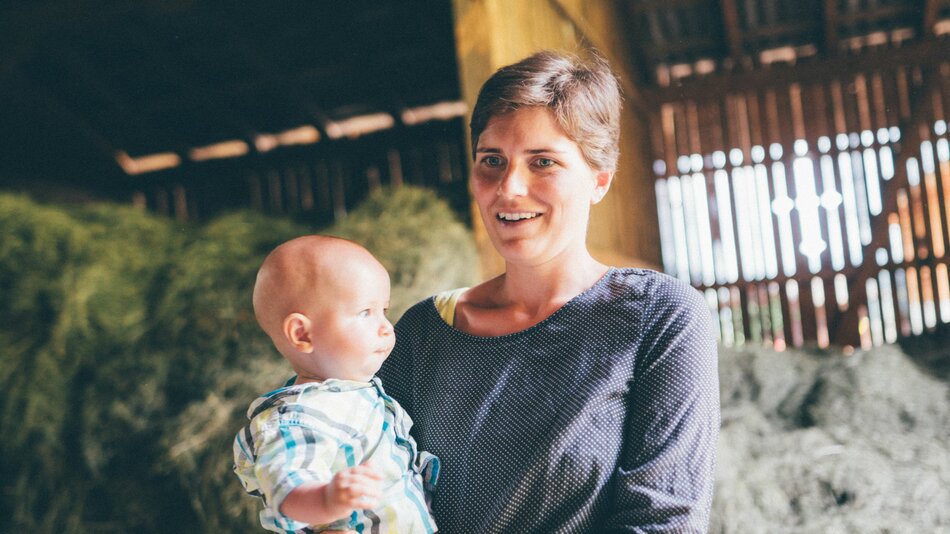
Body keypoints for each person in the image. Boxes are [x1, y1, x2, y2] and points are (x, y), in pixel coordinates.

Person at [378, 50, 719, 533]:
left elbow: (663, 520)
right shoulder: (423, 334)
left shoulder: (658, 316)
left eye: (543, 162)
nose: (509, 188)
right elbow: (367, 484)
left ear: (599, 180)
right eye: (491, 161)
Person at [233, 235, 438, 533]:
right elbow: (286, 488)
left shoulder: (356, 392)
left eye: (385, 311)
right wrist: (327, 500)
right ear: (302, 335)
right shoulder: (297, 418)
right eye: (365, 312)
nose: (386, 328)